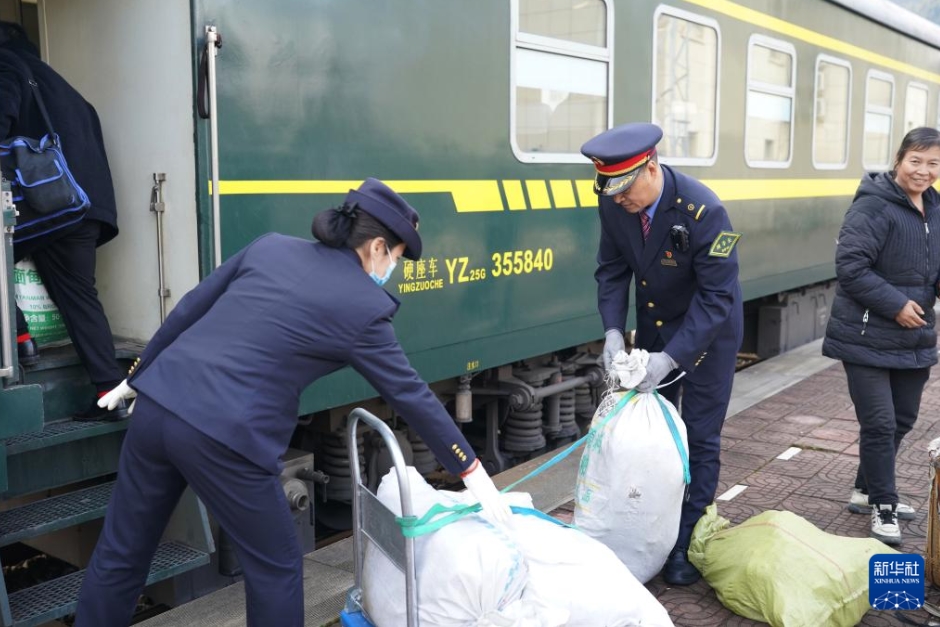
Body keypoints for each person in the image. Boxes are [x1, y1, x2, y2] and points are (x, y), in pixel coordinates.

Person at [73, 178, 512, 627]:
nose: (392, 268)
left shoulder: (271, 247)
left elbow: (190, 306)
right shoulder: (364, 307)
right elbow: (412, 395)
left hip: (157, 406)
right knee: (277, 565)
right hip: (224, 436)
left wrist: (137, 377)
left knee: (122, 551)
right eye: (397, 257)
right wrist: (469, 469)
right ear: (379, 247)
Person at [581, 122, 743, 585]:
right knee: (654, 435)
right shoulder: (615, 202)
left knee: (699, 435)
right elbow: (611, 271)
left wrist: (670, 360)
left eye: (625, 190)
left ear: (651, 167)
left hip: (709, 336)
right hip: (654, 329)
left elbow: (717, 299)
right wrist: (613, 332)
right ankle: (652, 525)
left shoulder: (706, 211)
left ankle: (686, 540)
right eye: (610, 191)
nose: (618, 201)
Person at [0, 21, 127, 421]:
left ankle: (20, 340)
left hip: (47, 205)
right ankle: (112, 392)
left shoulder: (6, 66)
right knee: (80, 298)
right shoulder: (68, 89)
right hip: (84, 208)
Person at [822, 126, 940, 546]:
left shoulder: (935, 208)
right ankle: (883, 504)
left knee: (903, 421)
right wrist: (895, 304)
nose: (924, 171)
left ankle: (863, 488)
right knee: (879, 423)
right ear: (899, 159)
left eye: (933, 164)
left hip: (915, 337)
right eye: (917, 161)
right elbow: (850, 267)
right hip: (867, 335)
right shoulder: (872, 206)